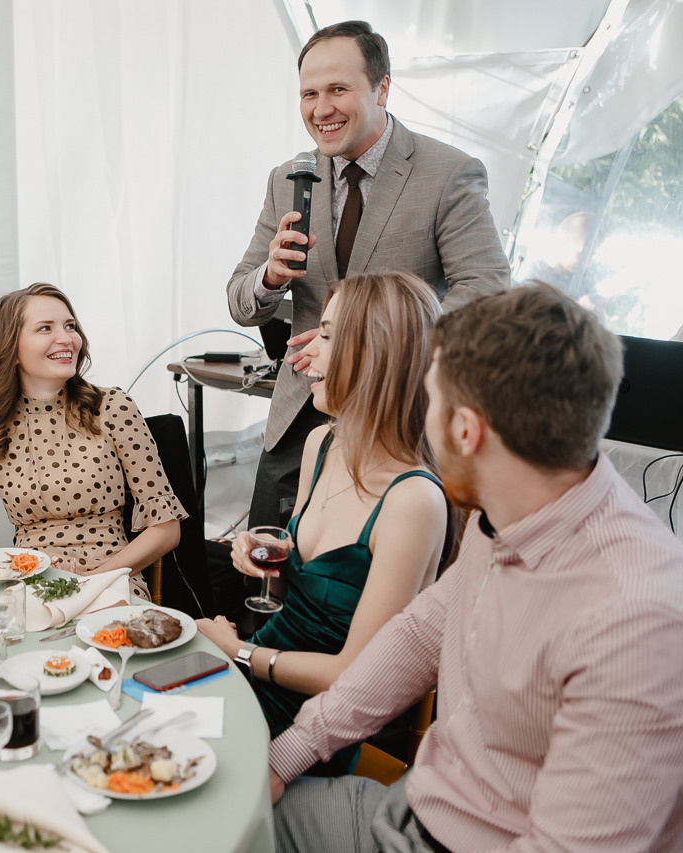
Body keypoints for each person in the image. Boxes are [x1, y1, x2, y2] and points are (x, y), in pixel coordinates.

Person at [268, 285, 683, 851]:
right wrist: (286, 756)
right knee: (218, 816)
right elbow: (417, 636)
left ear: (467, 431)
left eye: (429, 398)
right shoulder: (511, 513)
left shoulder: (638, 623)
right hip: (414, 807)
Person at [226, 20, 509, 535]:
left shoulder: (448, 173)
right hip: (301, 415)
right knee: (268, 580)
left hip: (399, 419)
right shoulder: (287, 179)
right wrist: (269, 277)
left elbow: (486, 294)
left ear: (382, 88)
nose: (321, 108)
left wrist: (370, 340)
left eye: (338, 89)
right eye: (309, 93)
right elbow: (240, 303)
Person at [198, 272, 450, 773]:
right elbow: (308, 581)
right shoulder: (322, 444)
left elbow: (356, 674)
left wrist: (239, 651)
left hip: (315, 728)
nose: (304, 355)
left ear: (376, 356)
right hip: (258, 677)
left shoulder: (414, 501)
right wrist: (269, 560)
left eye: (328, 335)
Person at [0, 283, 187, 600]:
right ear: (11, 349)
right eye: (46, 328)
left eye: (69, 326)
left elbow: (166, 529)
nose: (66, 338)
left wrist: (88, 581)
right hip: (28, 585)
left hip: (111, 581)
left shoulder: (113, 407)